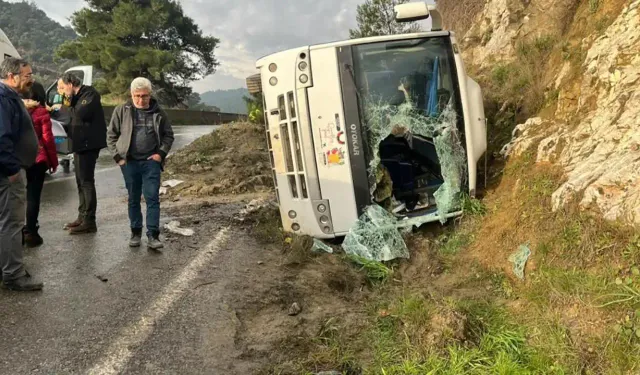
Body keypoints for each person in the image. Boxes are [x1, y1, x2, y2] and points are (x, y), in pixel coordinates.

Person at [107, 77, 174, 250]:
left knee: (152, 197)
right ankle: (135, 232)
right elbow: (111, 135)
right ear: (131, 94)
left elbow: (168, 135)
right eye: (137, 95)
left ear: (150, 95)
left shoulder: (158, 112)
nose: (140, 99)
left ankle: (153, 235)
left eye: (144, 96)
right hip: (129, 162)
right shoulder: (122, 110)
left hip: (151, 162)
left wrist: (160, 154)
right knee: (133, 198)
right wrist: (118, 158)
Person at [0, 57, 43, 291]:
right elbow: (1, 138)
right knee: (12, 223)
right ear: (11, 76)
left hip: (9, 170)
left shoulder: (9, 97)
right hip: (8, 173)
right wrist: (13, 170)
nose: (31, 79)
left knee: (5, 222)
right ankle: (13, 275)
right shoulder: (3, 98)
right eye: (27, 75)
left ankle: (7, 268)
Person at [59, 72, 107, 234]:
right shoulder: (77, 96)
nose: (63, 90)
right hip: (79, 144)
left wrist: (65, 104)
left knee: (86, 182)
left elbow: (78, 114)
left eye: (64, 87)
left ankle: (89, 221)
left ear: (71, 83)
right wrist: (66, 103)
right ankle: (81, 216)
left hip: (89, 144)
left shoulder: (89, 93)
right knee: (80, 181)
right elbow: (67, 114)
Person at [22, 81, 58, 247]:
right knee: (33, 196)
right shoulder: (41, 112)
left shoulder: (16, 109)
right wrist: (53, 161)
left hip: (19, 160)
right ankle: (31, 231)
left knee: (16, 197)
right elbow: (48, 139)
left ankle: (15, 232)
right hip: (37, 159)